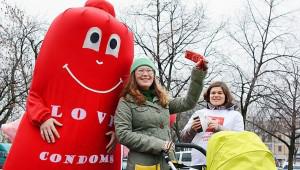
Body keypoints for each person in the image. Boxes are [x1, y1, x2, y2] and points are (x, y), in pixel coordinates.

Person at [114, 56, 208, 170]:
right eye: (140, 70)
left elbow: (189, 102)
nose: (145, 74)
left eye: (149, 71)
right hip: (142, 164)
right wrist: (159, 145)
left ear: (154, 75)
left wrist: (198, 75)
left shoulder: (163, 100)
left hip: (168, 162)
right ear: (133, 75)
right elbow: (123, 134)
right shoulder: (126, 101)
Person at [180, 81, 244, 167]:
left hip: (225, 164)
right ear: (208, 96)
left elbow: (240, 140)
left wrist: (219, 128)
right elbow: (183, 139)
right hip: (199, 163)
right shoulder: (199, 113)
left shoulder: (235, 115)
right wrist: (192, 130)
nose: (216, 95)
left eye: (220, 93)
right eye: (213, 93)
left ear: (226, 96)